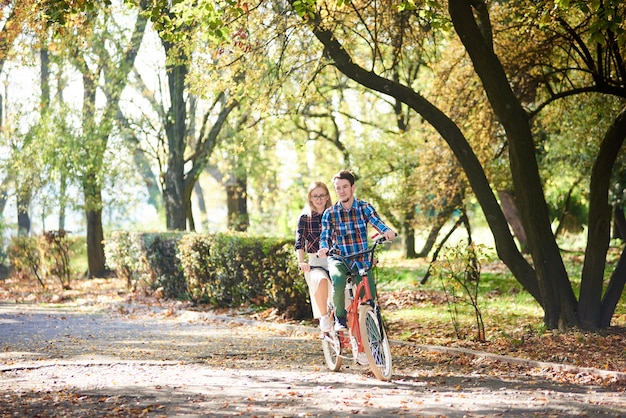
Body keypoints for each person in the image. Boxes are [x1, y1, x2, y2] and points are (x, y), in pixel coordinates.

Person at [318, 170, 396, 331]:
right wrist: (324, 248)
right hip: (339, 258)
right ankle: (340, 317)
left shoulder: (364, 207)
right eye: (338, 188)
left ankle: (373, 340)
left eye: (345, 187)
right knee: (338, 281)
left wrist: (386, 232)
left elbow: (377, 223)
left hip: (361, 259)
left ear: (353, 188)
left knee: (369, 298)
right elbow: (325, 236)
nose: (341, 191)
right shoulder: (330, 213)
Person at [294, 181, 333, 332]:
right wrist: (301, 261)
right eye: (315, 196)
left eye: (322, 195)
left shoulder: (333, 214)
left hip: (334, 259)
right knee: (321, 279)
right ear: (310, 198)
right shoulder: (305, 217)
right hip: (315, 262)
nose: (319, 199)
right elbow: (300, 242)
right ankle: (324, 317)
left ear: (327, 196)